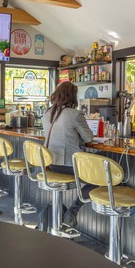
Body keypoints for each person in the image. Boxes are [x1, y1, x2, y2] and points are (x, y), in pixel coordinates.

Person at [41, 82, 94, 231]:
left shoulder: (47, 113)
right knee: (103, 177)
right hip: (69, 166)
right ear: (73, 96)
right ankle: (73, 210)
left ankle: (62, 214)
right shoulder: (74, 114)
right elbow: (89, 138)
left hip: (51, 165)